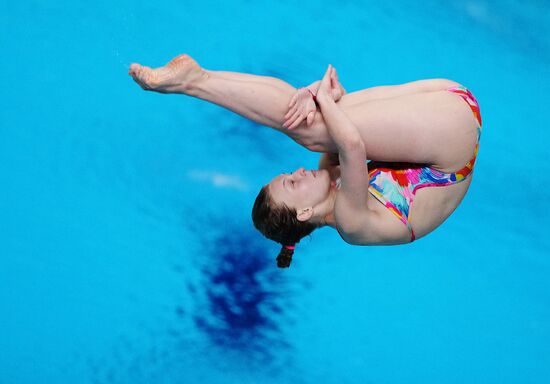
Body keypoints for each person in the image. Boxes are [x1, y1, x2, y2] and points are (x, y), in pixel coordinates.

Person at [129, 55, 482, 267]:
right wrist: (323, 98)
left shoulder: (329, 176)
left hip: (447, 107)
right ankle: (194, 80)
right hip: (453, 130)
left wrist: (325, 96)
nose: (298, 172)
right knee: (313, 128)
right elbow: (354, 144)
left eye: (288, 175)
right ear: (304, 214)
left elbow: (343, 128)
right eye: (293, 184)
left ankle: (196, 78)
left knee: (312, 123)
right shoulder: (351, 222)